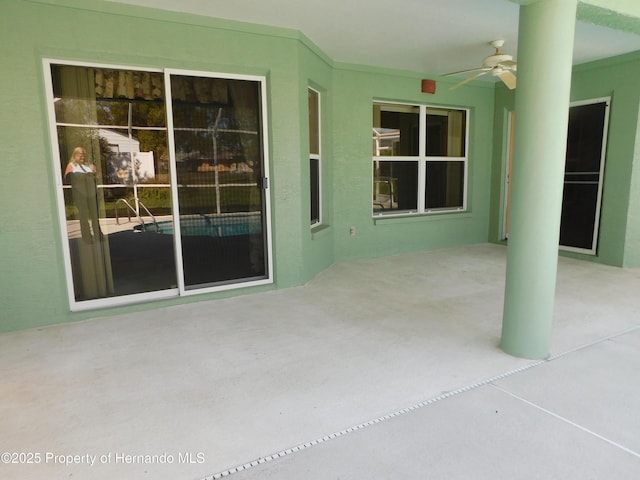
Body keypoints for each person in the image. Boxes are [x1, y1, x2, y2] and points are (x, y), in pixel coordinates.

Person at [64, 147, 103, 243]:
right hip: (80, 194)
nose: (82, 156)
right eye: (79, 154)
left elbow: (97, 177)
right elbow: (67, 178)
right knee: (84, 216)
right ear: (74, 156)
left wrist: (94, 173)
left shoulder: (89, 166)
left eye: (83, 154)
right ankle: (87, 238)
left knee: (95, 216)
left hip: (92, 193)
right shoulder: (71, 165)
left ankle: (99, 236)